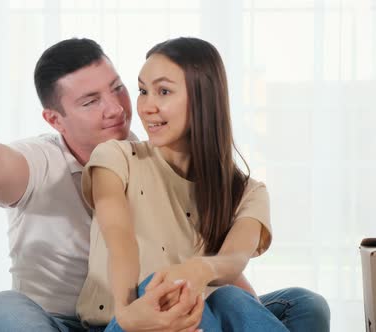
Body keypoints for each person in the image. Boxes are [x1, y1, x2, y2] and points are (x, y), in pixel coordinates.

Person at [0, 37, 330, 331]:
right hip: (65, 321)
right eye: (90, 101)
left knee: (301, 304)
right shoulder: (45, 160)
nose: (118, 109)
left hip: (153, 303)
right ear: (54, 119)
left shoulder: (157, 154)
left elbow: (206, 255)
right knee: (3, 307)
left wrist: (235, 301)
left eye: (120, 89)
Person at [76, 37, 330, 332]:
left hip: (197, 308)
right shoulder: (116, 156)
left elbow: (234, 259)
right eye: (143, 91)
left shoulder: (246, 191)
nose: (146, 106)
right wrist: (127, 313)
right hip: (125, 319)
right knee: (172, 291)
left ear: (202, 98)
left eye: (164, 91)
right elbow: (119, 237)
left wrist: (200, 269)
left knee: (304, 304)